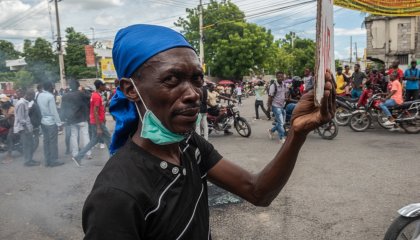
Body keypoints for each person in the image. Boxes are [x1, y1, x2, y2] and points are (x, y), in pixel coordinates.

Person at [82, 24, 334, 240]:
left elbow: (258, 191)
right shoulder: (115, 195)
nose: (193, 94)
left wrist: (296, 133)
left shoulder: (190, 146)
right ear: (130, 89)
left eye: (197, 79)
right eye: (171, 79)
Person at [72, 80, 111, 167]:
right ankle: (113, 159)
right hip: (98, 122)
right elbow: (95, 111)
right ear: (100, 86)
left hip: (95, 121)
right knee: (109, 139)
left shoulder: (94, 95)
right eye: (104, 85)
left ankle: (78, 157)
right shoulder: (96, 96)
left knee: (94, 141)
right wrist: (98, 127)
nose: (105, 87)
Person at [61, 80, 92, 163]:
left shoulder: (65, 96)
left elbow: (63, 108)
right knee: (85, 135)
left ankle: (75, 154)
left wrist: (63, 119)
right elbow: (90, 97)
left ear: (70, 86)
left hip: (72, 119)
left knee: (73, 136)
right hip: (82, 118)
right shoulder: (81, 94)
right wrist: (84, 90)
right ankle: (88, 154)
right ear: (78, 86)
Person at [37, 81, 64, 167]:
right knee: (53, 142)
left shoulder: (39, 95)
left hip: (43, 122)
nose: (53, 88)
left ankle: (47, 160)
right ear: (49, 87)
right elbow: (54, 111)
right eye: (53, 87)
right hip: (51, 123)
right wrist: (59, 123)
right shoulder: (50, 97)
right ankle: (53, 161)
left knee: (46, 142)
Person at [14, 89, 40, 167]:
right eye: (32, 97)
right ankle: (27, 161)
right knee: (27, 145)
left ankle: (30, 159)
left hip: (27, 127)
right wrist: (26, 129)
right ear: (29, 95)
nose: (32, 99)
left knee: (31, 144)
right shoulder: (21, 103)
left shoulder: (25, 103)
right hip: (24, 128)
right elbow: (21, 118)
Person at [267, 71, 288, 144]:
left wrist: (286, 98)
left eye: (281, 76)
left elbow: (285, 94)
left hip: (282, 106)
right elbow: (270, 97)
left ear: (283, 77)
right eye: (278, 76)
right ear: (276, 77)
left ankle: (271, 130)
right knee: (281, 123)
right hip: (275, 106)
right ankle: (281, 138)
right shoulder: (273, 86)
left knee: (281, 123)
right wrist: (269, 107)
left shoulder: (284, 85)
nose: (280, 78)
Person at [0, 94, 15, 164]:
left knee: (9, 137)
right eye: (1, 102)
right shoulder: (3, 108)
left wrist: (1, 119)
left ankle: (9, 154)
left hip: (14, 125)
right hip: (8, 124)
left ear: (7, 102)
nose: (1, 103)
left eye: (3, 102)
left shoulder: (12, 108)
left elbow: (7, 117)